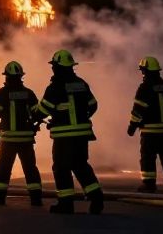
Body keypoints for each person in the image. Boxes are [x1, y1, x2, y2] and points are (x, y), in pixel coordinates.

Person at [35, 49, 104, 215]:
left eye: (54, 66)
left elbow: (42, 110)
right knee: (81, 166)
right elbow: (93, 105)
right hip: (82, 134)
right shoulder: (81, 84)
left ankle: (66, 204)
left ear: (58, 67)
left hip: (64, 136)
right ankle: (96, 198)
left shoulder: (55, 87)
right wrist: (82, 117)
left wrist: (35, 117)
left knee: (61, 167)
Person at [0, 61, 43, 206]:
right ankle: (36, 198)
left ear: (6, 77)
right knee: (30, 168)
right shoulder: (28, 93)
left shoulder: (2, 93)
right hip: (26, 139)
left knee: (4, 168)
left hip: (8, 140)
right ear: (21, 77)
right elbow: (37, 113)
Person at [127, 56, 163, 194]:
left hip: (150, 132)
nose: (142, 74)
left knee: (148, 159)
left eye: (143, 71)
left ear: (146, 71)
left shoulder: (145, 88)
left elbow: (138, 110)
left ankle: (149, 185)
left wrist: (132, 127)